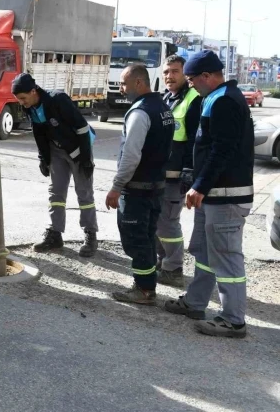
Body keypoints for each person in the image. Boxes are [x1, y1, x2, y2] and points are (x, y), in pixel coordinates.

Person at [164, 50, 254, 339]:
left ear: (206, 76)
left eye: (191, 79)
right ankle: (195, 302)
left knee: (226, 257)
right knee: (203, 252)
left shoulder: (225, 101)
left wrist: (200, 185)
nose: (190, 85)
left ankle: (233, 320)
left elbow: (222, 150)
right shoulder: (214, 98)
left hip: (225, 196)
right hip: (212, 194)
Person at [106, 64, 174, 305]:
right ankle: (146, 285)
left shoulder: (140, 112)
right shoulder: (163, 108)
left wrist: (116, 186)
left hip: (137, 190)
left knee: (136, 240)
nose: (121, 89)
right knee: (146, 237)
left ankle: (144, 290)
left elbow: (131, 156)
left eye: (124, 83)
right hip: (156, 186)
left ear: (138, 83)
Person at [11, 73, 99, 257]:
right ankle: (55, 233)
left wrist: (85, 159)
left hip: (77, 149)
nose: (21, 103)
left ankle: (90, 234)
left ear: (33, 91)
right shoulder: (31, 107)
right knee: (56, 192)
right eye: (18, 99)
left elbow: (82, 127)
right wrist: (43, 158)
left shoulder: (57, 99)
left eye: (23, 98)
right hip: (56, 151)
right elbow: (39, 133)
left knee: (84, 193)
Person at [155, 55, 201, 287]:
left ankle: (173, 269)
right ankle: (163, 262)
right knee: (158, 220)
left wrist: (188, 170)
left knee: (168, 222)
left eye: (174, 71)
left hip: (176, 175)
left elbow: (195, 139)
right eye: (166, 72)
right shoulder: (167, 98)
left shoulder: (193, 99)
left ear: (185, 74)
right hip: (161, 173)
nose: (169, 76)